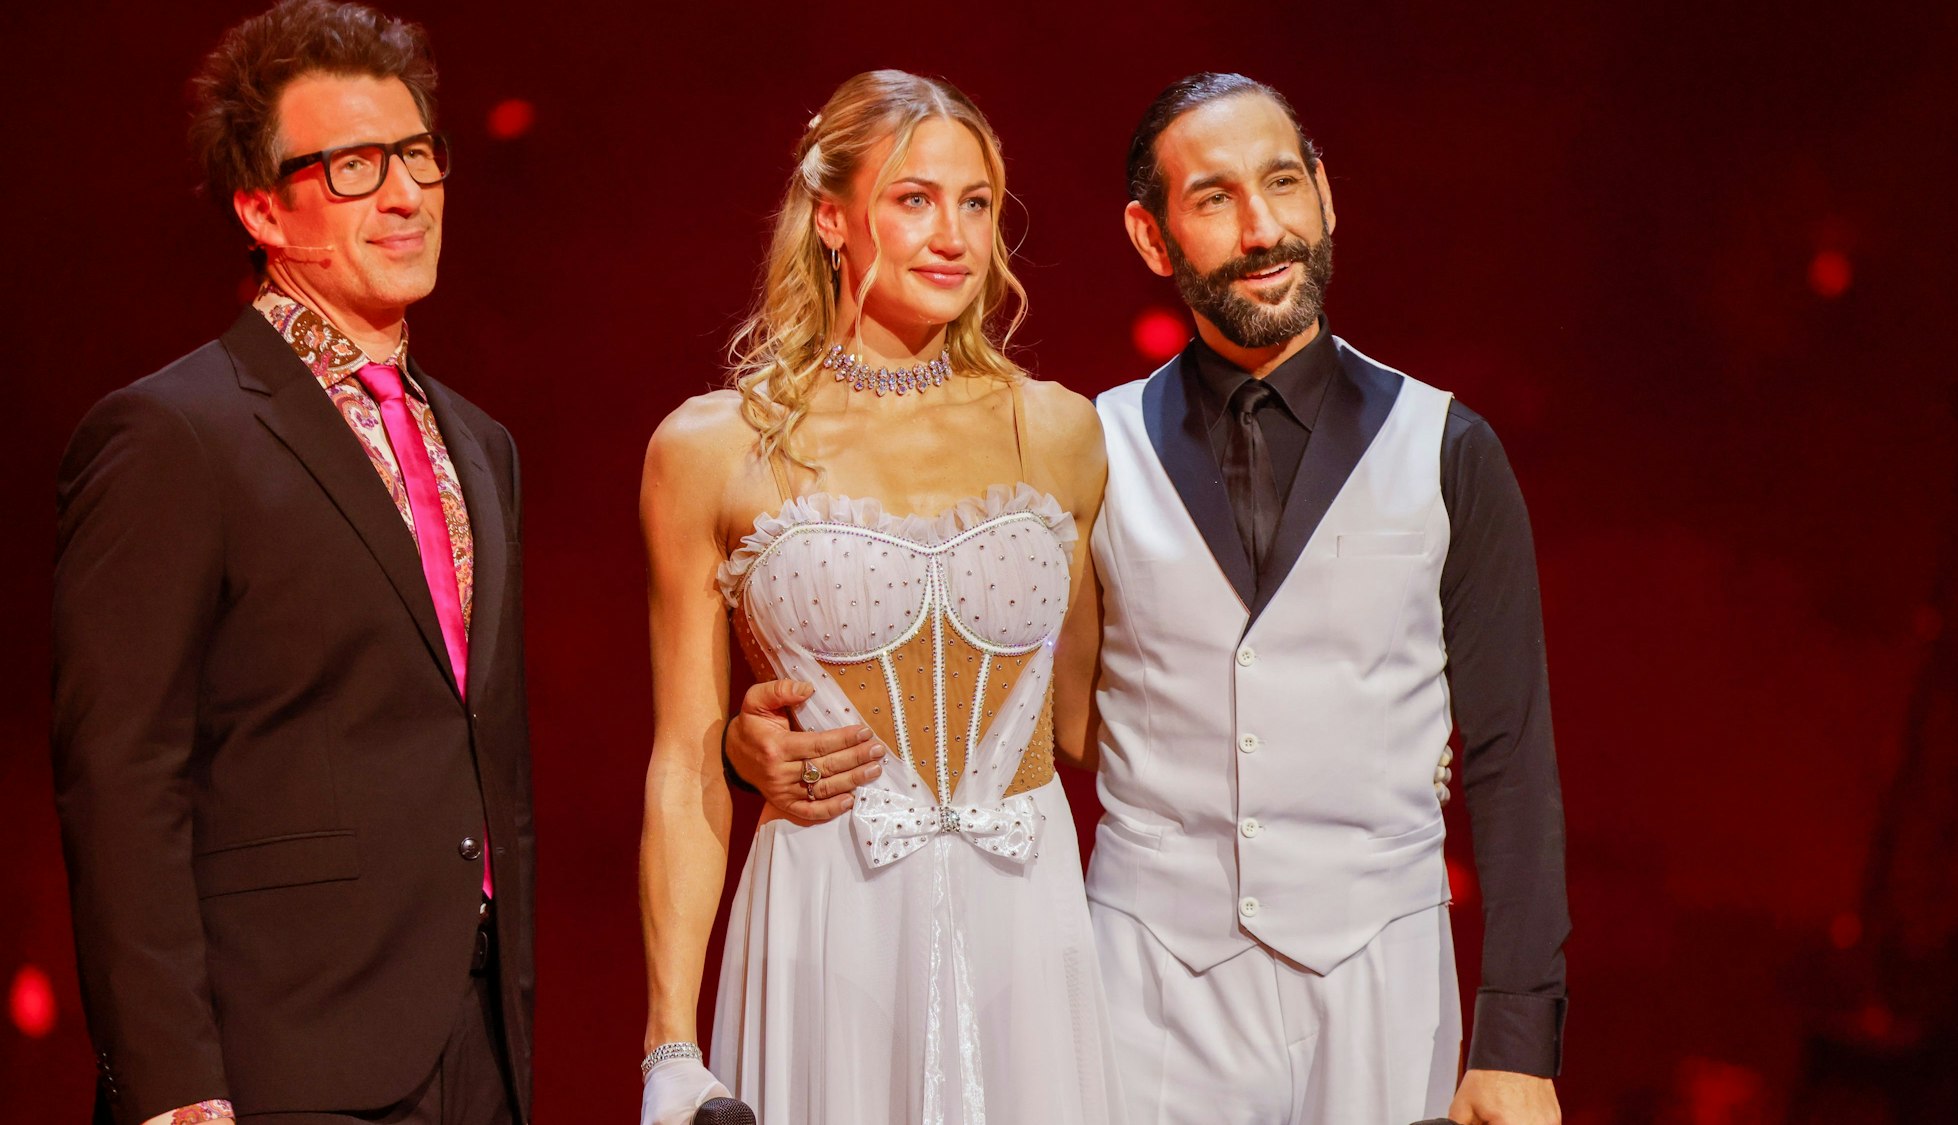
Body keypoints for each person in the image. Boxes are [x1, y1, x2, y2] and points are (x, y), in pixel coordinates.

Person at [730, 72, 1570, 1125]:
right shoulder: (1088, 445)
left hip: (1380, 989)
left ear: (1325, 194)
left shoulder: (1446, 448)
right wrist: (760, 735)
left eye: (1282, 184)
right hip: (1145, 996)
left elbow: (1511, 757)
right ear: (1150, 236)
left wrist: (1516, 1042)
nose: (1262, 228)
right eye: (1213, 198)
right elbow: (1019, 695)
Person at [50, 3, 532, 1123]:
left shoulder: (480, 443)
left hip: (475, 1049)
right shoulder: (172, 435)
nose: (406, 195)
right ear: (262, 207)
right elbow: (122, 781)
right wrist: (172, 1086)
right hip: (281, 1052)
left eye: (417, 156)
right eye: (355, 167)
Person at [636, 70, 1121, 1125]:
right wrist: (669, 1044)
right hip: (825, 916)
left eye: (977, 203)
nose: (952, 234)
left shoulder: (1060, 433)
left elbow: (1092, 722)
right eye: (913, 199)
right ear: (829, 219)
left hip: (1026, 926)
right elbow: (684, 757)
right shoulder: (710, 449)